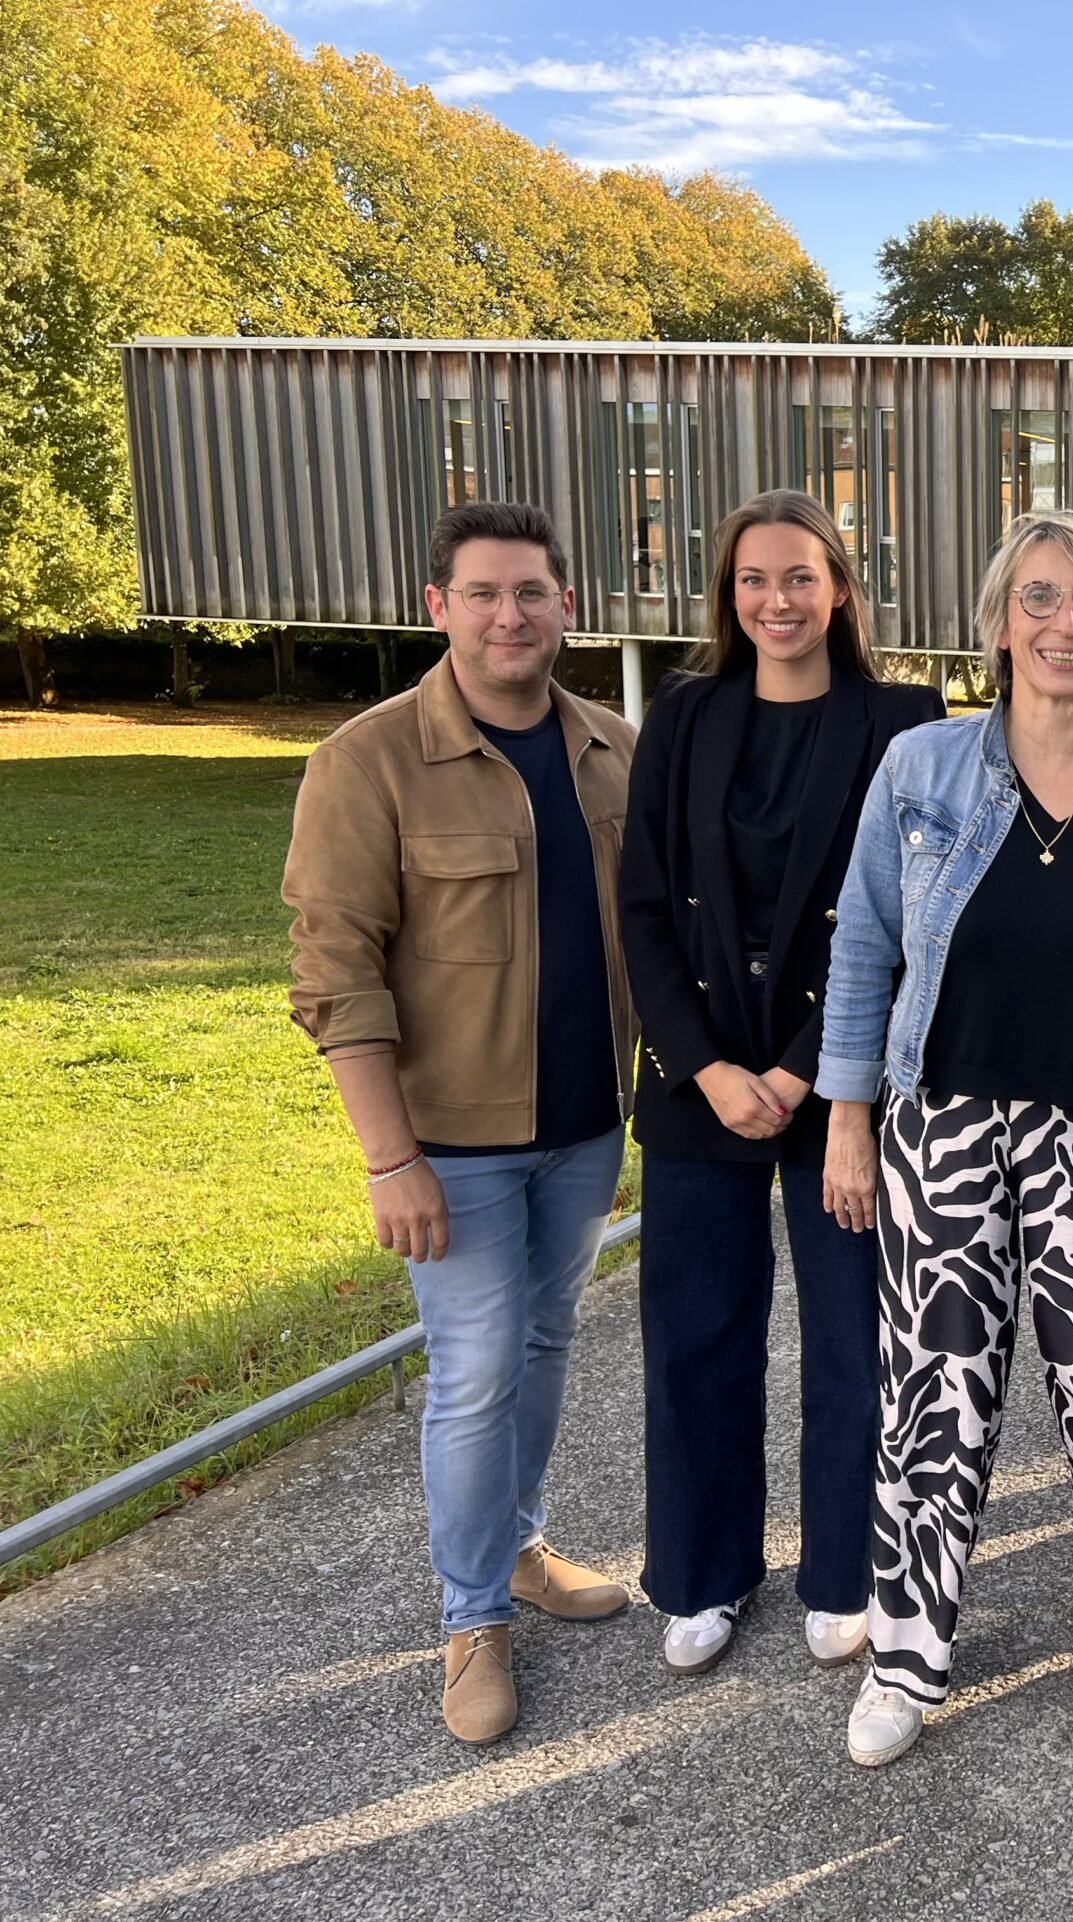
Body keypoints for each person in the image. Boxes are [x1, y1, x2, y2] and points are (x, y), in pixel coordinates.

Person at [816, 511, 1073, 1768]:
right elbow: (862, 952)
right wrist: (848, 1124)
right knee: (932, 1401)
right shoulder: (924, 771)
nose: (1065, 624)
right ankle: (907, 1651)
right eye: (1041, 599)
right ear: (1000, 620)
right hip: (938, 1128)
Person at [282, 500, 635, 1747]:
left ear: (567, 605)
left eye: (531, 591)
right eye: (483, 593)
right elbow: (336, 970)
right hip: (454, 1146)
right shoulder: (368, 761)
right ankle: (472, 1613)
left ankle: (523, 1546)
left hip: (588, 1127)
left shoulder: (612, 749)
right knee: (475, 1371)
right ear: (439, 607)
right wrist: (390, 1154)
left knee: (542, 1346)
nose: (509, 615)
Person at [619, 490, 943, 1679]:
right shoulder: (683, 715)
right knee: (696, 1334)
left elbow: (910, 914)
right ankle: (703, 1574)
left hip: (840, 1087)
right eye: (754, 580)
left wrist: (811, 1068)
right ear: (728, 596)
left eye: (801, 577)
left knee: (854, 1332)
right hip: (699, 1085)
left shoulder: (903, 723)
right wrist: (706, 1067)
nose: (778, 600)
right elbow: (644, 912)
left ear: (842, 588)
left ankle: (845, 1569)